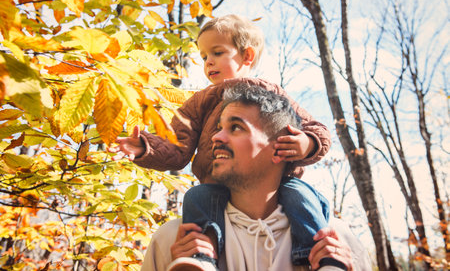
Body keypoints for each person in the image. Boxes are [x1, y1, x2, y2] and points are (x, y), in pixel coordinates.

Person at [109, 15, 333, 268]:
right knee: (196, 197)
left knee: (302, 197)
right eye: (204, 56)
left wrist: (308, 143)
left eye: (217, 52)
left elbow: (317, 128)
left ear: (247, 56)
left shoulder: (272, 94)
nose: (208, 62)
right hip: (216, 183)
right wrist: (147, 147)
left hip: (277, 184)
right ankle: (201, 256)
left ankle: (317, 255)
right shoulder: (200, 101)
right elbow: (176, 145)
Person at [141, 83, 372, 270]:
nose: (216, 137)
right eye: (219, 127)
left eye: (236, 127)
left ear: (280, 147)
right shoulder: (174, 242)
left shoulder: (337, 244)